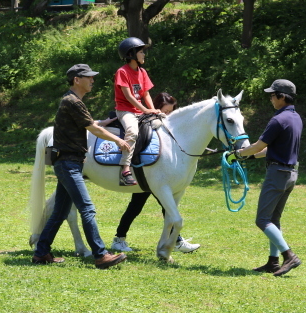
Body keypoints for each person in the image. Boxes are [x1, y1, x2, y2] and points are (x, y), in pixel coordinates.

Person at [32, 64, 131, 269]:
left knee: (59, 212)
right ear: (77, 79)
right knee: (87, 208)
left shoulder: (74, 102)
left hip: (70, 163)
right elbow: (93, 128)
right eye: (88, 77)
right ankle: (101, 255)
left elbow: (91, 125)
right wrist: (119, 141)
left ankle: (41, 253)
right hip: (68, 164)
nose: (92, 80)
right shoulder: (72, 101)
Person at [227, 79, 303, 277]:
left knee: (262, 220)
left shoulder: (278, 120)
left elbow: (259, 145)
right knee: (273, 219)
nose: (270, 98)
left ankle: (289, 256)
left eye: (272, 94)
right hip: (290, 174)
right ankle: (273, 262)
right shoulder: (295, 118)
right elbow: (269, 150)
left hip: (277, 174)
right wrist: (249, 155)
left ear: (281, 96)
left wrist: (237, 154)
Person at [111, 92, 201, 253]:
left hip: (151, 175)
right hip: (147, 172)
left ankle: (120, 238)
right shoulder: (149, 126)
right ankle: (176, 240)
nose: (168, 115)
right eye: (165, 111)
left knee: (140, 207)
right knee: (144, 207)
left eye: (171, 112)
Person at [115, 37, 161, 186]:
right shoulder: (122, 72)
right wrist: (146, 110)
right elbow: (128, 96)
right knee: (133, 132)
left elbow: (146, 93)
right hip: (125, 110)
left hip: (139, 110)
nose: (144, 55)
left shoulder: (142, 71)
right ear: (131, 55)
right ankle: (125, 171)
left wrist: (153, 110)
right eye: (141, 52)